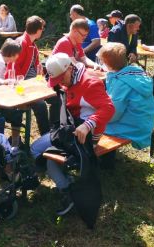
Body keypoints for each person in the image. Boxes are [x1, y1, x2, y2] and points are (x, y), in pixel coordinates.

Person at [31, 53, 114, 216]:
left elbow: (109, 108)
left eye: (62, 78)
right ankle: (65, 184)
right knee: (44, 154)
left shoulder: (89, 83)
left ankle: (66, 189)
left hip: (85, 135)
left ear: (70, 68)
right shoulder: (72, 78)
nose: (61, 83)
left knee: (37, 150)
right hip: (72, 127)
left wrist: (87, 125)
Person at [99, 43, 154, 150]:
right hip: (146, 122)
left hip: (134, 127)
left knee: (93, 124)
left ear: (108, 64)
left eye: (103, 61)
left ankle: (104, 160)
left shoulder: (121, 82)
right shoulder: (135, 73)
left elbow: (114, 113)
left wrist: (97, 118)